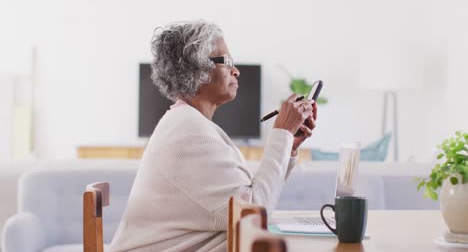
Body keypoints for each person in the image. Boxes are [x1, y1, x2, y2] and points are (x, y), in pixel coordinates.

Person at [109, 20, 317, 252]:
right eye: (225, 61)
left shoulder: (188, 123)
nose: (236, 70)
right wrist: (281, 132)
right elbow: (253, 211)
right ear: (195, 69)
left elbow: (246, 192)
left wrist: (288, 145)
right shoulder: (189, 133)